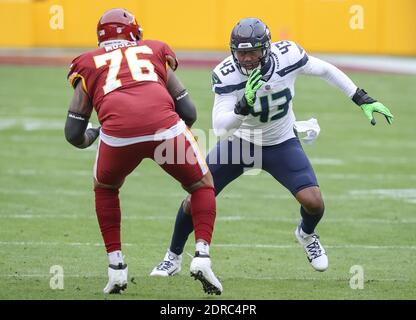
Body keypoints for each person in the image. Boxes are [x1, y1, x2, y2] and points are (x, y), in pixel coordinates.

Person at [150, 17, 394, 276]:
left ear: (266, 49)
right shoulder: (226, 73)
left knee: (314, 203)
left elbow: (325, 70)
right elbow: (220, 127)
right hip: (240, 143)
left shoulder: (287, 57)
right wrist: (242, 106)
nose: (245, 59)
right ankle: (173, 257)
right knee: (197, 196)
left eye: (252, 52)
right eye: (240, 52)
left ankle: (307, 234)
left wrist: (360, 97)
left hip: (281, 141)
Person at [64, 8, 222, 295]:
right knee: (202, 185)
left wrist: (95, 135)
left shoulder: (87, 62)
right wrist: (169, 137)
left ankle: (116, 269)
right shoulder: (154, 49)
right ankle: (201, 257)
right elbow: (189, 111)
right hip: (166, 128)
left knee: (106, 188)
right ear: (133, 32)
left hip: (118, 135)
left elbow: (73, 134)